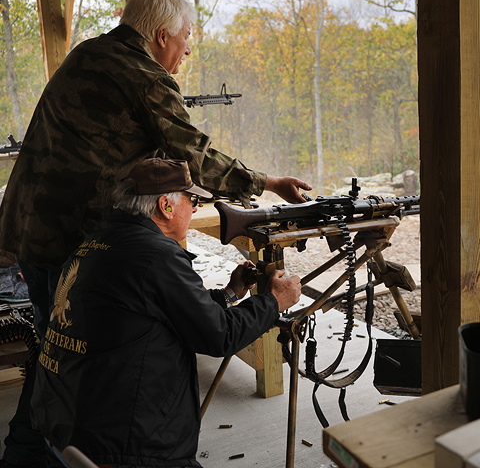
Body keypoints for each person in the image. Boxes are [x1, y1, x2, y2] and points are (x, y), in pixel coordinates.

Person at [0, 0, 310, 467]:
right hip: (68, 235)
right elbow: (192, 154)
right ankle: (40, 453)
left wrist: (225, 295)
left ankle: (41, 449)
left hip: (28, 228)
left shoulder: (89, 52)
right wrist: (264, 183)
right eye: (186, 37)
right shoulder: (145, 75)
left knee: (58, 351)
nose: (188, 49)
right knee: (64, 362)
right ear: (161, 35)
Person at [30, 158, 302, 467]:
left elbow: (156, 307)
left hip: (65, 427)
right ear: (165, 206)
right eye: (192, 199)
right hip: (120, 446)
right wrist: (273, 302)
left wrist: (227, 294)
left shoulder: (102, 239)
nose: (196, 208)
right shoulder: (155, 254)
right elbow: (219, 336)